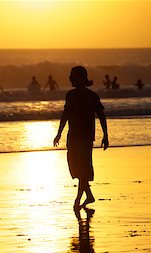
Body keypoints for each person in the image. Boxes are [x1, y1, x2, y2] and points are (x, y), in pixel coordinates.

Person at [53, 66, 109, 219]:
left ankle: (79, 199)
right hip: (72, 136)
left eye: (75, 77)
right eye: (71, 76)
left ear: (82, 78)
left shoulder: (92, 96)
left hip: (85, 137)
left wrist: (105, 135)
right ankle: (89, 195)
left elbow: (101, 115)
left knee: (83, 168)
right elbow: (65, 114)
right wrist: (58, 133)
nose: (71, 79)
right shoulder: (70, 95)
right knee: (75, 167)